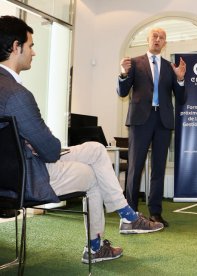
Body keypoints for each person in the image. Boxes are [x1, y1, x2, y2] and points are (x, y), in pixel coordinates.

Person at [0, 15, 163, 264]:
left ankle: (127, 215)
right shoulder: (17, 95)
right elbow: (51, 150)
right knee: (93, 172)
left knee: (96, 149)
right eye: (31, 46)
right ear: (15, 47)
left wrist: (33, 143)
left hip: (15, 168)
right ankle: (98, 245)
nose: (34, 53)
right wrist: (36, 144)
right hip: (26, 177)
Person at [117, 27, 187, 227]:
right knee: (135, 167)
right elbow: (122, 92)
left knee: (158, 168)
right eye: (154, 37)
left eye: (162, 37)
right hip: (140, 121)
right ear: (148, 40)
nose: (158, 39)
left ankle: (155, 213)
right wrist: (123, 73)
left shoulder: (169, 67)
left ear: (165, 43)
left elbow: (181, 98)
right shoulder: (135, 63)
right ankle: (129, 212)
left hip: (163, 121)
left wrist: (180, 78)